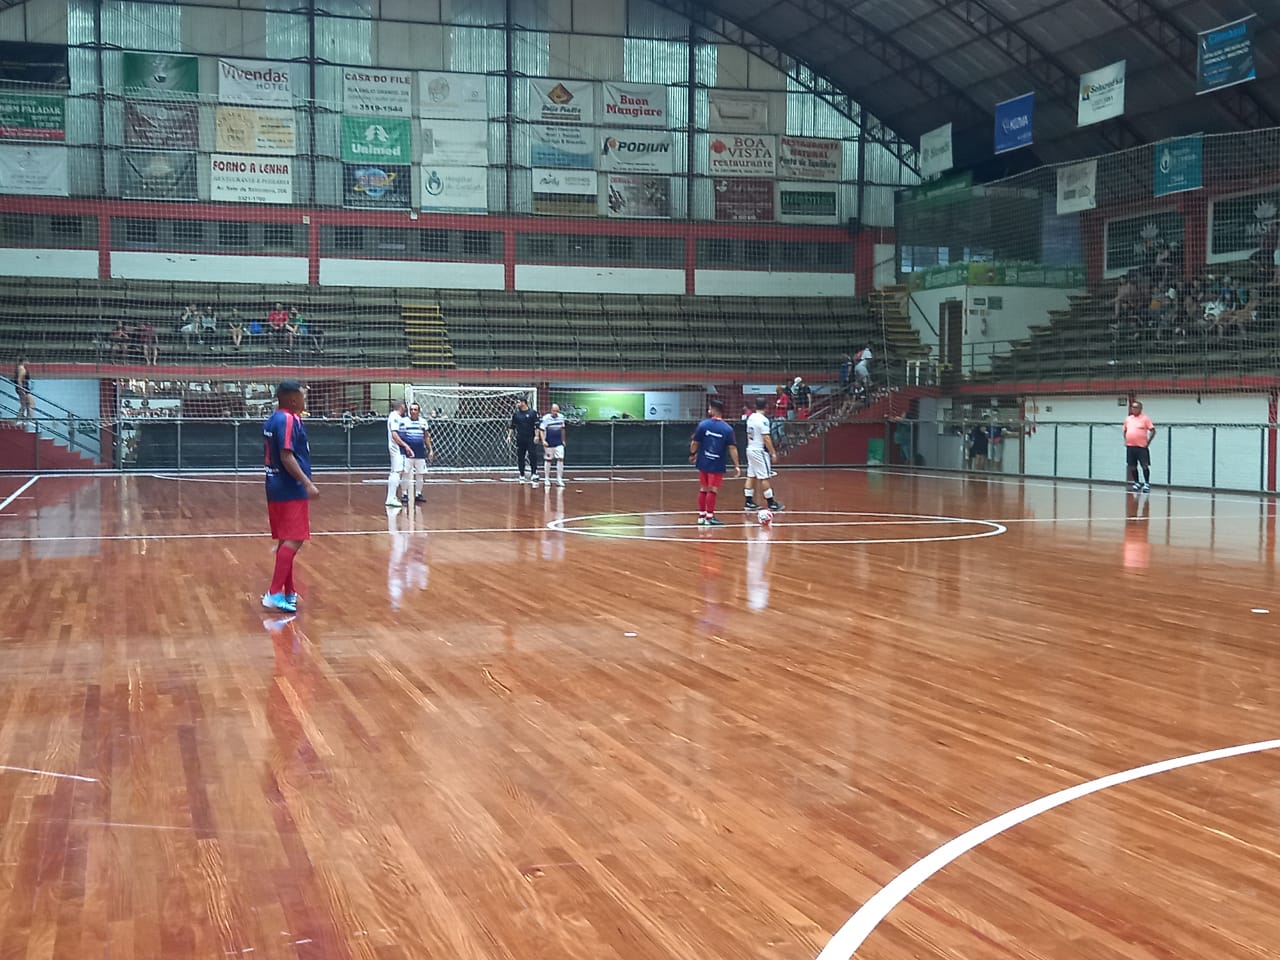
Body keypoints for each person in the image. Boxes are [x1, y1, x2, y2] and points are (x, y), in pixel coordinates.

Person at [262, 381, 319, 614]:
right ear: (293, 399)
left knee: (286, 539)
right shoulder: (287, 420)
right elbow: (286, 456)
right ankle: (274, 592)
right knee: (295, 539)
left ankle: (288, 591)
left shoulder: (274, 418)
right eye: (302, 396)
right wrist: (307, 483)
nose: (305, 400)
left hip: (275, 486)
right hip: (289, 487)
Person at [690, 397, 741, 527]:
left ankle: (701, 516)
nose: (708, 410)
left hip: (703, 461)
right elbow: (732, 447)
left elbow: (695, 442)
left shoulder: (703, 425)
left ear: (713, 409)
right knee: (713, 490)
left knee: (703, 488)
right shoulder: (727, 429)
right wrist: (737, 465)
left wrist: (692, 454)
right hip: (716, 463)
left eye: (709, 408)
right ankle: (709, 517)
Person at [743, 396, 784, 513]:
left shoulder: (750, 417)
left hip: (750, 448)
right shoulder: (763, 420)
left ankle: (748, 501)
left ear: (755, 406)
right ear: (766, 406)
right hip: (759, 450)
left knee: (751, 475)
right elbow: (766, 437)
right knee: (764, 477)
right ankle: (771, 503)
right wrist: (773, 453)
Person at [398, 402, 434, 504]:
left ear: (419, 411)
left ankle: (418, 494)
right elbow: (400, 436)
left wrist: (430, 450)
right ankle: (404, 494)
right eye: (411, 410)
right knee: (405, 473)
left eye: (415, 410)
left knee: (420, 474)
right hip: (407, 453)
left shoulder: (423, 422)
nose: (413, 412)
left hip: (420, 453)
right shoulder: (403, 422)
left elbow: (426, 436)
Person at [1123, 400, 1156, 492]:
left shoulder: (1145, 419)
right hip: (1130, 446)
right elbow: (1125, 430)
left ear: (1140, 409)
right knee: (1132, 466)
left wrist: (1148, 442)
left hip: (1141, 447)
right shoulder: (1128, 419)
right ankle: (1136, 482)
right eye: (1132, 407)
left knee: (1144, 465)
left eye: (1136, 407)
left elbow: (1153, 430)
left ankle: (1146, 483)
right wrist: (1126, 440)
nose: (1134, 409)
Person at [385, 400, 413, 506]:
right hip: (396, 448)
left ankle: (391, 497)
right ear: (401, 406)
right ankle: (391, 498)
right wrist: (406, 445)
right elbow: (395, 435)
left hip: (398, 448)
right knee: (396, 472)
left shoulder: (397, 418)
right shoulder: (394, 417)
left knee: (397, 471)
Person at [508, 397, 541, 484]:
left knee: (532, 455)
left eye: (518, 402)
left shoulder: (533, 413)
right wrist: (509, 436)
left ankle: (534, 473)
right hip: (520, 438)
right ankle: (522, 474)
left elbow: (537, 426)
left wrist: (537, 436)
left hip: (531, 438)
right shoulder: (516, 415)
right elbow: (512, 426)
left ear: (523, 402)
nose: (517, 404)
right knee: (520, 456)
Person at [538, 402, 567, 488]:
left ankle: (559, 479)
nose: (555, 412)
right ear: (551, 410)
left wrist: (563, 440)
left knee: (560, 458)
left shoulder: (561, 417)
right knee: (548, 460)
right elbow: (541, 430)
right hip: (549, 442)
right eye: (554, 411)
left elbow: (562, 429)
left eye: (557, 411)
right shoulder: (545, 418)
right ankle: (547, 478)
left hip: (558, 442)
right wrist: (543, 440)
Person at [14, 357, 33, 421]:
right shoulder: (22, 369)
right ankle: (28, 419)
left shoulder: (19, 368)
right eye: (27, 361)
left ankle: (21, 418)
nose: (28, 362)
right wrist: (21, 390)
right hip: (23, 388)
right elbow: (19, 380)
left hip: (23, 388)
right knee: (29, 404)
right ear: (24, 361)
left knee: (25, 405)